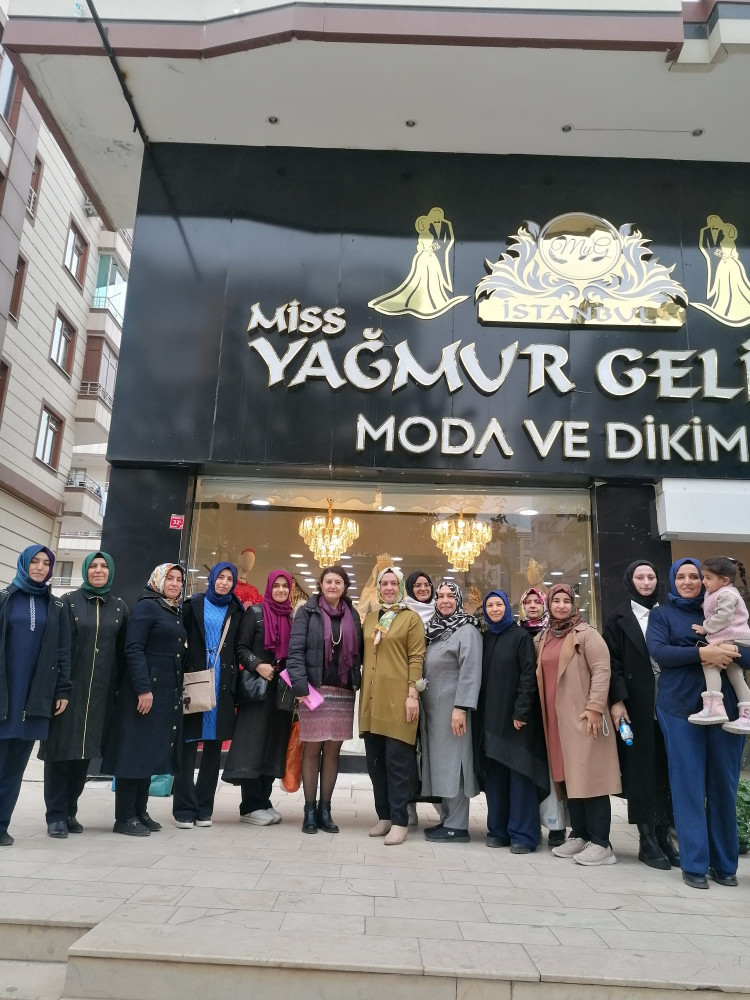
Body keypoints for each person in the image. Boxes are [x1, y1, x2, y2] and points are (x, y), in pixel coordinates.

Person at [647, 557, 750, 889]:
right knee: (687, 786)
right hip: (678, 709)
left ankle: (725, 865)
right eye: (682, 576)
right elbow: (660, 652)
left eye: (696, 576)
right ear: (673, 580)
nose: (690, 582)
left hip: (726, 712)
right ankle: (694, 864)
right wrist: (702, 653)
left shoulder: (726, 606)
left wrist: (729, 649)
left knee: (724, 787)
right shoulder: (662, 615)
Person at [40, 552, 127, 839]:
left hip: (101, 694)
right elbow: (59, 648)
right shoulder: (68, 602)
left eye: (103, 566)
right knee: (60, 752)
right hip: (69, 692)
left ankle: (70, 810)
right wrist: (60, 688)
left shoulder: (119, 607)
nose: (98, 570)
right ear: (86, 570)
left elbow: (123, 653)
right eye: (93, 566)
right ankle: (55, 815)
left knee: (84, 754)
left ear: (110, 571)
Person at [537, 583, 621, 867]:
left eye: (566, 601)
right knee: (568, 777)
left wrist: (595, 707)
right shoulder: (545, 636)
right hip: (556, 720)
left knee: (591, 777)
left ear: (573, 604)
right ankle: (580, 834)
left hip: (584, 717)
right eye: (556, 601)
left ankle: (602, 843)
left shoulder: (587, 634)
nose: (561, 605)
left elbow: (602, 671)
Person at [102, 563, 186, 837]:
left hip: (163, 692)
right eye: (170, 578)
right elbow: (133, 648)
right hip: (143, 693)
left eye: (179, 580)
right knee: (134, 752)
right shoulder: (146, 606)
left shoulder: (171, 609)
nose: (175, 583)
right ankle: (124, 816)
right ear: (158, 580)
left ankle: (140, 811)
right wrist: (142, 688)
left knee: (147, 753)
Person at [604, 560, 678, 871]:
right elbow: (613, 663)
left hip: (671, 702)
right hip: (636, 705)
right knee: (641, 769)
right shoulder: (618, 617)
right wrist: (617, 701)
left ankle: (664, 836)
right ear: (630, 581)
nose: (646, 582)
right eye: (640, 577)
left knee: (667, 768)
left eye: (651, 576)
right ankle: (646, 840)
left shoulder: (668, 614)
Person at [0, 546, 71, 847]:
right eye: (35, 562)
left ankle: (1, 825)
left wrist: (62, 689)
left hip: (35, 697)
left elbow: (63, 651)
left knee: (15, 767)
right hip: (5, 694)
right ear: (24, 564)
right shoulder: (4, 599)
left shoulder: (55, 606)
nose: (40, 567)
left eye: (46, 563)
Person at [286, 565, 363, 834]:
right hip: (313, 690)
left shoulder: (352, 613)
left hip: (343, 691)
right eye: (328, 581)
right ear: (321, 584)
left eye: (338, 582)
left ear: (345, 587)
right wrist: (300, 687)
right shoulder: (307, 612)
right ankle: (309, 810)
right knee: (312, 749)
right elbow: (295, 651)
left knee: (332, 751)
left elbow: (360, 653)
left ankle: (325, 810)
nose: (333, 586)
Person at [475, 590, 548, 853]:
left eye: (499, 604)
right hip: (490, 720)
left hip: (516, 721)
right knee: (495, 777)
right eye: (490, 605)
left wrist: (521, 711)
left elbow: (528, 676)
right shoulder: (484, 638)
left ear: (507, 607)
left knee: (520, 775)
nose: (494, 609)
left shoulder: (520, 637)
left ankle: (524, 835)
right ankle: (498, 831)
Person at [173, 562, 243, 829]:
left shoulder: (236, 610)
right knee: (187, 749)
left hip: (221, 686)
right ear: (212, 578)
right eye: (220, 577)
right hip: (195, 682)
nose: (224, 582)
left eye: (229, 579)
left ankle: (204, 809)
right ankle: (184, 809)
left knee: (213, 751)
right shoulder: (193, 605)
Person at [222, 569, 295, 825]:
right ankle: (249, 805)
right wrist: (257, 665)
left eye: (285, 586)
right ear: (269, 588)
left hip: (281, 691)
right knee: (253, 744)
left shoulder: (291, 617)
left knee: (273, 744)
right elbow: (240, 647)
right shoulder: (254, 613)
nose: (281, 590)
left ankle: (263, 800)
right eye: (276, 585)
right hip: (257, 688)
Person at [360, 567, 425, 846]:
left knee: (397, 764)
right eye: (384, 583)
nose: (388, 588)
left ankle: (400, 821)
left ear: (400, 587)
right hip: (371, 700)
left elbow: (416, 657)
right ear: (378, 587)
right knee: (375, 764)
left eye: (393, 583)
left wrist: (412, 694)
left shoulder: (411, 618)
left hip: (399, 700)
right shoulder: (370, 618)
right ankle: (384, 816)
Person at [420, 581, 482, 843]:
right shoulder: (436, 630)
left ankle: (457, 826)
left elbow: (470, 671)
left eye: (450, 596)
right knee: (443, 764)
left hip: (454, 712)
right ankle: (448, 819)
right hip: (435, 713)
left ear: (458, 600)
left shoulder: (467, 630)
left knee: (456, 764)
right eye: (441, 596)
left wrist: (461, 707)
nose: (445, 600)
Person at [689, 556, 750, 733]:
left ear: (724, 580)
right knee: (734, 672)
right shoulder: (717, 592)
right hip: (733, 637)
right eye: (703, 577)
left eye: (708, 578)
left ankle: (714, 707)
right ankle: (747, 715)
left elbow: (723, 617)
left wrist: (705, 627)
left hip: (731, 636)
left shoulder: (727, 594)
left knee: (710, 663)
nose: (703, 581)